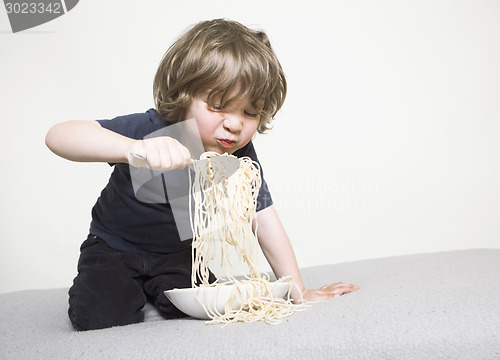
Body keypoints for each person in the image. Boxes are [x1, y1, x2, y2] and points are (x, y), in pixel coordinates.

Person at [45, 18, 359, 331]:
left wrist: (298, 291)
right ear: (183, 94)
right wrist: (132, 149)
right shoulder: (152, 130)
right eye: (219, 106)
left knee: (208, 307)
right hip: (114, 246)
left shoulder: (238, 157)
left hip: (178, 255)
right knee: (99, 317)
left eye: (250, 112)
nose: (235, 125)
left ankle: (156, 289)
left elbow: (263, 218)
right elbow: (60, 136)